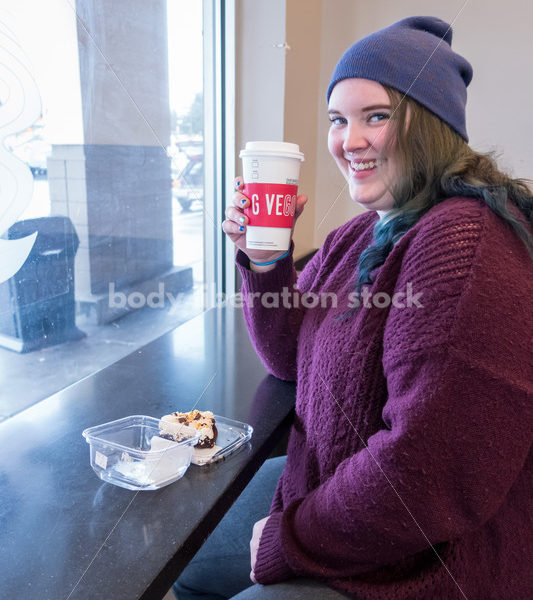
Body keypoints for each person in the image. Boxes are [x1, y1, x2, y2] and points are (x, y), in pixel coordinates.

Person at [174, 16, 533, 600]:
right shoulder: (362, 233)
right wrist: (266, 261)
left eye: (377, 116)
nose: (349, 140)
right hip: (335, 502)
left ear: (436, 126)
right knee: (191, 561)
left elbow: (426, 474)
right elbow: (290, 356)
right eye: (338, 120)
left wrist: (287, 539)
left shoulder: (464, 245)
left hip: (424, 566)